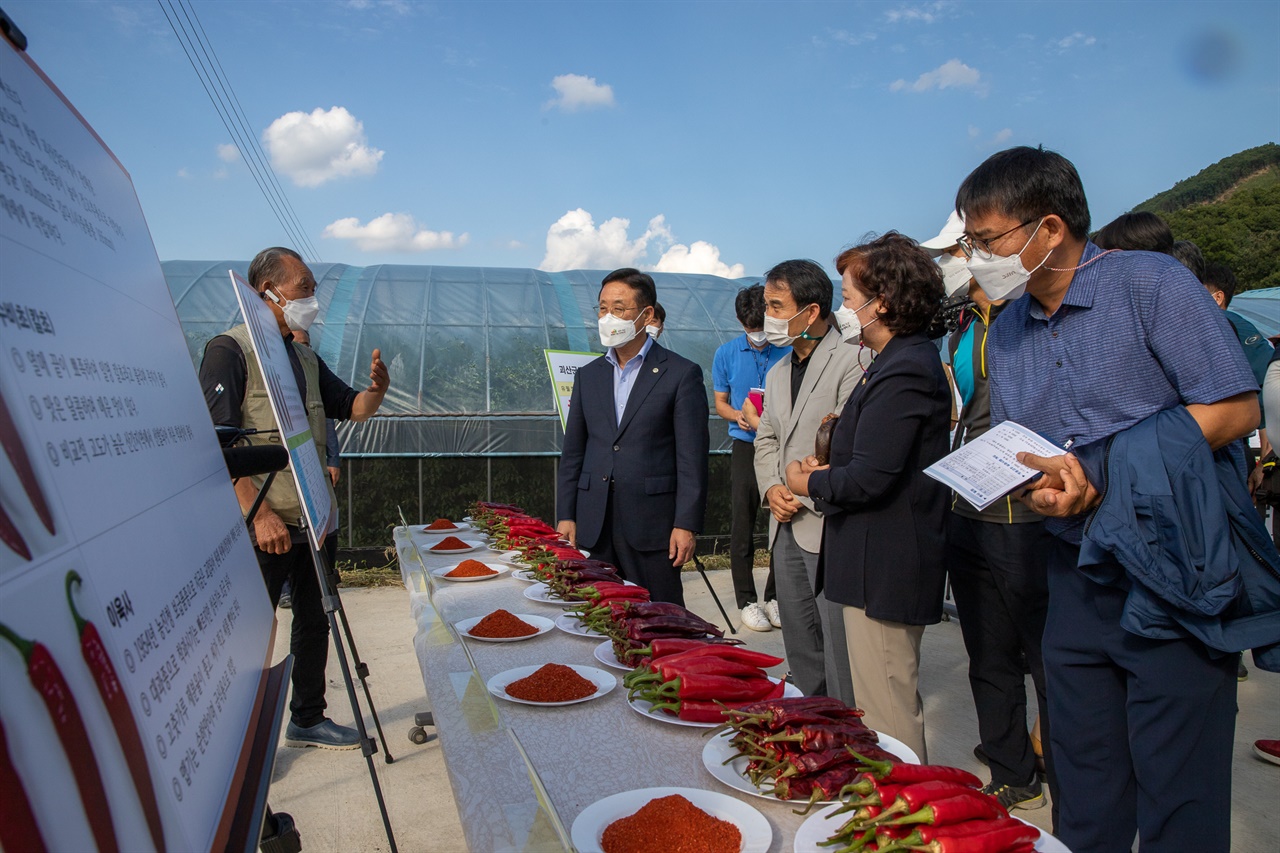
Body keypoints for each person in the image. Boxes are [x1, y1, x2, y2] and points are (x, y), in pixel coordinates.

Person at [955, 146, 1260, 851]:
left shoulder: (1149, 285)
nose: (977, 258)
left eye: (988, 239)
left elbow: (1235, 409)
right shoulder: (1009, 332)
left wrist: (1098, 468)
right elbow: (1030, 446)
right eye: (969, 242)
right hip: (1073, 571)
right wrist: (1035, 483)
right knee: (1084, 790)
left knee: (1179, 799)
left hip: (1174, 570)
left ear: (1050, 228)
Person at [199, 246, 389, 750]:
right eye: (304, 287)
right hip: (261, 524)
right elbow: (213, 445)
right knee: (248, 634)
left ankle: (307, 716)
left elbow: (352, 407)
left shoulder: (303, 357)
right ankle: (232, 741)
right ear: (268, 292)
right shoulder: (230, 350)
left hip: (313, 516)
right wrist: (258, 513)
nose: (312, 298)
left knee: (314, 619)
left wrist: (378, 390)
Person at [785, 233, 950, 762]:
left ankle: (905, 822)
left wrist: (806, 482)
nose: (846, 308)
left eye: (851, 296)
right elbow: (871, 462)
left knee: (888, 719)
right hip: (868, 560)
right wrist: (830, 467)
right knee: (876, 708)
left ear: (884, 302)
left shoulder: (905, 368)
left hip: (886, 565)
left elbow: (870, 480)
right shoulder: (887, 362)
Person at [923, 213, 1054, 811]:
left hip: (1031, 512)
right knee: (988, 649)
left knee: (1048, 650)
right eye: (958, 250)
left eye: (968, 247)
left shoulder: (1039, 313)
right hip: (970, 502)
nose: (961, 258)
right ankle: (1011, 765)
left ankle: (1057, 750)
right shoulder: (964, 325)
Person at [556, 269, 709, 604]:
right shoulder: (588, 375)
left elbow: (691, 458)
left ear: (646, 315)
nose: (608, 317)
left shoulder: (681, 374)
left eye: (619, 309)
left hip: (653, 525)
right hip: (595, 520)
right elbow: (573, 452)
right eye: (602, 308)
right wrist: (566, 514)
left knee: (661, 616)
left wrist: (686, 523)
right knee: (600, 612)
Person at [752, 259, 862, 705]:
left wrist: (800, 488)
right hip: (785, 522)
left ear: (811, 311)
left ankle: (845, 726)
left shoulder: (854, 360)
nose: (768, 318)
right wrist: (772, 489)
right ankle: (809, 718)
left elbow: (845, 443)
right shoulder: (778, 371)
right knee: (798, 636)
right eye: (766, 305)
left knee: (838, 643)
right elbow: (766, 439)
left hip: (827, 520)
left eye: (777, 306)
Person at [713, 284, 789, 631]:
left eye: (760, 325)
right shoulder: (726, 353)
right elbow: (721, 403)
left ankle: (775, 596)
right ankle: (746, 600)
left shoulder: (786, 351)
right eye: (749, 327)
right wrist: (737, 416)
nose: (756, 334)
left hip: (782, 444)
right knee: (742, 524)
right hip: (745, 444)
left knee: (783, 521)